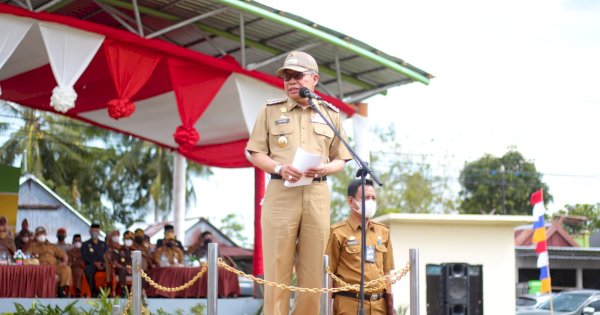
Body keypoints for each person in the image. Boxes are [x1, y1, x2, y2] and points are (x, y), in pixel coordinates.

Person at [246, 51, 351, 314]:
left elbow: (342, 158)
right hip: (281, 192)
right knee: (277, 269)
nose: (291, 81)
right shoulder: (270, 111)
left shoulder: (330, 113)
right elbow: (255, 152)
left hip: (317, 193)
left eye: (297, 76)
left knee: (314, 272)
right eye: (286, 77)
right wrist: (280, 167)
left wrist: (326, 167)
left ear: (314, 79)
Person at [326, 179, 395, 315]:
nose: (371, 202)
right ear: (351, 201)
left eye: (373, 198)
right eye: (366, 197)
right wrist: (326, 310)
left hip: (379, 306)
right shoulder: (338, 232)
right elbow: (328, 275)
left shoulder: (383, 232)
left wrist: (390, 306)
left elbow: (387, 273)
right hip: (349, 305)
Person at [24, 226, 72, 297]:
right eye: (39, 234)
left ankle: (61, 290)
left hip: (53, 267)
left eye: (43, 234)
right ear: (36, 235)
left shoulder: (51, 246)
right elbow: (25, 256)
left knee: (67, 269)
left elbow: (64, 255)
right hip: (41, 268)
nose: (41, 236)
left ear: (46, 234)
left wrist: (64, 261)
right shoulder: (32, 246)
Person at [81, 223, 108, 296]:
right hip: (92, 265)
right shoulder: (85, 244)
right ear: (90, 231)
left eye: (96, 230)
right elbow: (85, 256)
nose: (94, 232)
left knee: (110, 269)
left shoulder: (104, 244)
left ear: (99, 232)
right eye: (93, 230)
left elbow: (107, 256)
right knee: (88, 270)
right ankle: (94, 291)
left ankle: (107, 292)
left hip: (103, 265)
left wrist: (103, 263)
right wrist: (95, 263)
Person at [112, 231, 134, 296]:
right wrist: (124, 268)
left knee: (141, 272)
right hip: (122, 268)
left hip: (132, 269)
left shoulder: (134, 250)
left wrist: (131, 268)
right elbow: (115, 262)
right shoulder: (118, 249)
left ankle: (141, 292)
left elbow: (137, 262)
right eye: (127, 239)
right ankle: (123, 289)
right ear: (123, 240)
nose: (128, 241)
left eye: (130, 239)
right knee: (122, 270)